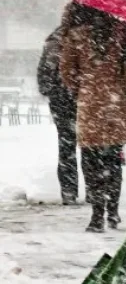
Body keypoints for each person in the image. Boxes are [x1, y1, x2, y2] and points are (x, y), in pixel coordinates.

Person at [59, 1, 126, 232]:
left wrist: (82, 88)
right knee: (114, 162)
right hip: (116, 105)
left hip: (90, 105)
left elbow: (67, 72)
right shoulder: (120, 32)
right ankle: (113, 212)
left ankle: (96, 216)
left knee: (91, 162)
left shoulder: (75, 36)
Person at [37, 25, 79, 205]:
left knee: (66, 144)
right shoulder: (93, 36)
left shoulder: (56, 38)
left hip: (61, 99)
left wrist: (51, 89)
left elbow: (44, 72)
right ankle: (96, 189)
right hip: (87, 98)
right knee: (91, 145)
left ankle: (68, 190)